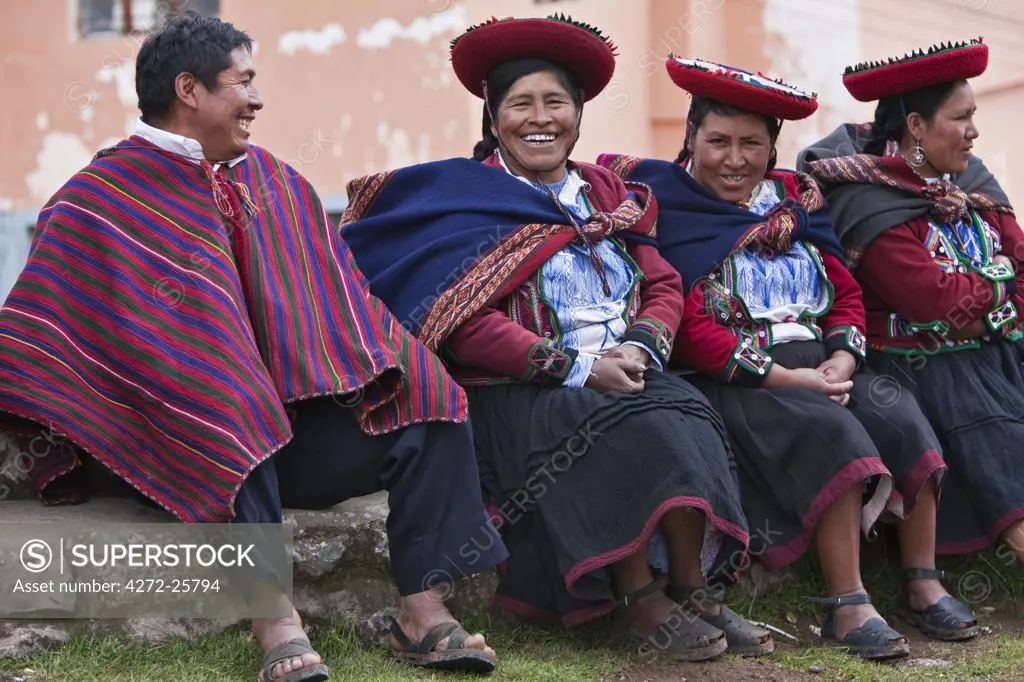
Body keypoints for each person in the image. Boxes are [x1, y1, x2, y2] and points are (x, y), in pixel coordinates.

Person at [0, 13, 508, 681]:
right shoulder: (98, 201)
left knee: (428, 393)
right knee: (231, 390)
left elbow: (340, 303)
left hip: (284, 437)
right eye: (244, 81)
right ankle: (275, 622)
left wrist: (368, 360)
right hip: (174, 446)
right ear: (189, 89)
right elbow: (38, 327)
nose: (258, 99)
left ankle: (421, 609)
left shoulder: (272, 179)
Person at [340, 15, 770, 662]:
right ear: (494, 116)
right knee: (620, 425)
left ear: (578, 114)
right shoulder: (465, 198)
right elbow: (459, 318)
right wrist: (574, 366)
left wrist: (641, 348)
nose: (539, 119)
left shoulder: (608, 196)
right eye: (521, 105)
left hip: (621, 369)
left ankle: (692, 587)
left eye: (556, 103)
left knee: (689, 411)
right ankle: (638, 597)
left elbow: (661, 283)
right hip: (517, 390)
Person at [599, 56, 980, 659]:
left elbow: (844, 292)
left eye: (752, 143)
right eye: (718, 141)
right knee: (833, 432)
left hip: (819, 364)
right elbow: (689, 323)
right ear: (689, 138)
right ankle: (847, 604)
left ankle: (921, 579)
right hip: (736, 376)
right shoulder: (669, 205)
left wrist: (844, 358)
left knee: (900, 412)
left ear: (772, 147)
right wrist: (783, 378)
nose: (734, 159)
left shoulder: (792, 202)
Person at [799, 39, 1024, 567]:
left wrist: (992, 303)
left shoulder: (970, 183)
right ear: (917, 126)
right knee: (992, 428)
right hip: (919, 365)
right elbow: (936, 303)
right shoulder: (865, 199)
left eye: (974, 116)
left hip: (994, 349)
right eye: (961, 117)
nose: (974, 131)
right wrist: (1002, 289)